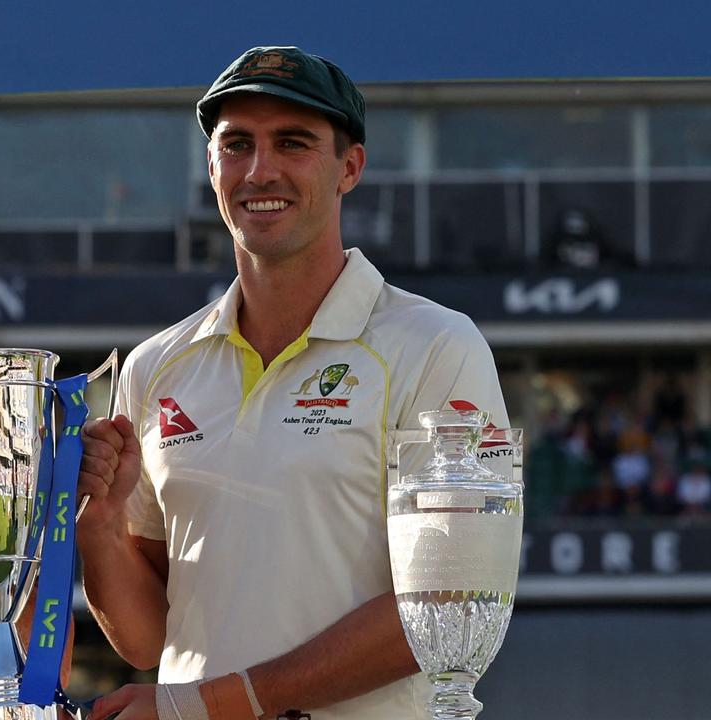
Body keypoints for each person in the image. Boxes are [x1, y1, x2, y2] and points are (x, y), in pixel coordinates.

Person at [76, 47, 509, 720]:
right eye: (237, 144)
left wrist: (213, 706)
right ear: (213, 166)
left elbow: (447, 607)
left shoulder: (438, 346)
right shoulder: (154, 365)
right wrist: (99, 530)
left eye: (294, 143)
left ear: (350, 167)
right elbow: (145, 639)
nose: (260, 170)